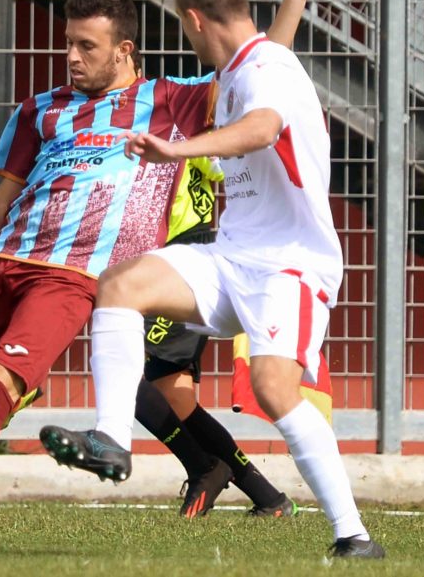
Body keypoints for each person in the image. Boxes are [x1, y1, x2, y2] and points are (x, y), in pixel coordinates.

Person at [0, 0, 320, 549]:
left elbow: (263, 70)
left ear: (124, 50)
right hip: (1, 262)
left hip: (74, 277)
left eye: (87, 46)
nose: (72, 57)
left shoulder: (171, 101)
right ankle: (8, 390)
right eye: (68, 44)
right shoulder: (39, 110)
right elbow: (2, 204)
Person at [39, 0, 386, 559]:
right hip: (231, 257)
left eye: (182, 24)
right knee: (120, 285)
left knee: (274, 388)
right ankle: (111, 439)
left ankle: (353, 534)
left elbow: (264, 126)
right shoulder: (250, 65)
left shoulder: (266, 70)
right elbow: (265, 62)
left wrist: (177, 149)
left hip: (289, 266)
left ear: (194, 19)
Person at [126, 49, 302, 520]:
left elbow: (223, 155)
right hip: (150, 269)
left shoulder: (182, 121)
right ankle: (266, 496)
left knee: (130, 379)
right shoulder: (116, 129)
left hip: (186, 262)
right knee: (173, 396)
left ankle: (205, 468)